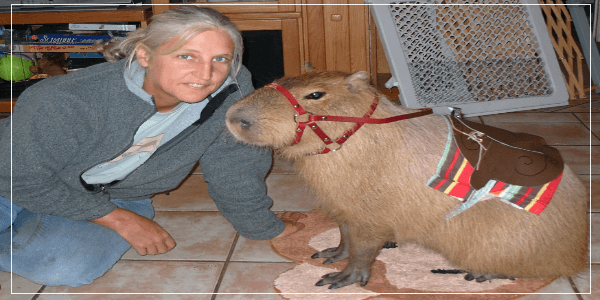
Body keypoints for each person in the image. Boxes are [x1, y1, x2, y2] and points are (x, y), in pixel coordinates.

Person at [0, 6, 305, 287]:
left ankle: (41, 217)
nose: (205, 75)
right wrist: (117, 219)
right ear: (145, 56)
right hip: (11, 177)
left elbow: (236, 166)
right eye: (186, 56)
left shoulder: (234, 88)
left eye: (220, 59)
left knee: (66, 269)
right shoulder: (65, 99)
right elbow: (18, 176)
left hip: (118, 195)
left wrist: (262, 226)